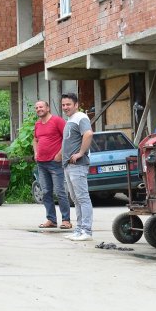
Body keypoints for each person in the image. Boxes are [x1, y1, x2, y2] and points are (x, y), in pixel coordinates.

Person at [33, 100, 72, 230]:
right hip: (41, 164)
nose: (39, 109)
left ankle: (66, 220)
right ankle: (51, 219)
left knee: (60, 191)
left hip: (55, 163)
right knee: (46, 192)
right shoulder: (37, 124)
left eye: (41, 107)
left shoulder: (57, 121)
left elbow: (67, 138)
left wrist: (60, 154)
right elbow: (35, 140)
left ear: (48, 108)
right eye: (37, 107)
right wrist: (36, 152)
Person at [61, 93, 94, 241]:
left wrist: (81, 152)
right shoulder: (70, 119)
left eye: (68, 104)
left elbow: (88, 134)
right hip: (69, 165)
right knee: (75, 198)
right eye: (63, 105)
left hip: (78, 165)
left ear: (76, 105)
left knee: (82, 198)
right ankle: (79, 230)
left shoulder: (81, 117)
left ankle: (86, 231)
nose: (65, 107)